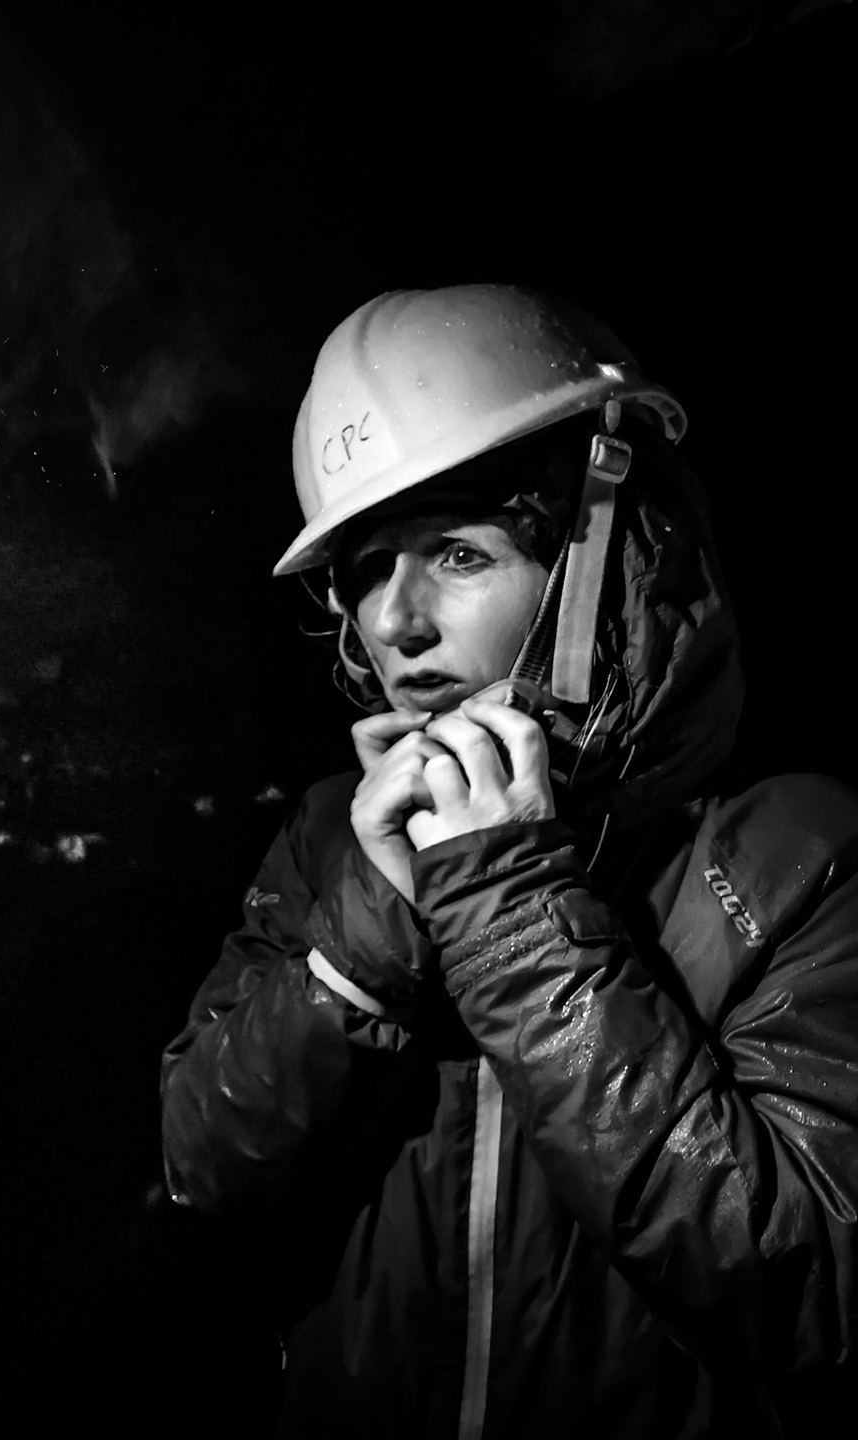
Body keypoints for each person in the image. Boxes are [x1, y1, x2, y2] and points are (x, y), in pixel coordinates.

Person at [159, 284, 856, 1437]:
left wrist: (510, 906)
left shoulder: (791, 854)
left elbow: (808, 1279)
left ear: (610, 564)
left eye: (459, 555)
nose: (395, 621)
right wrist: (364, 946)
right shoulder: (336, 840)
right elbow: (203, 1172)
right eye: (370, 570)